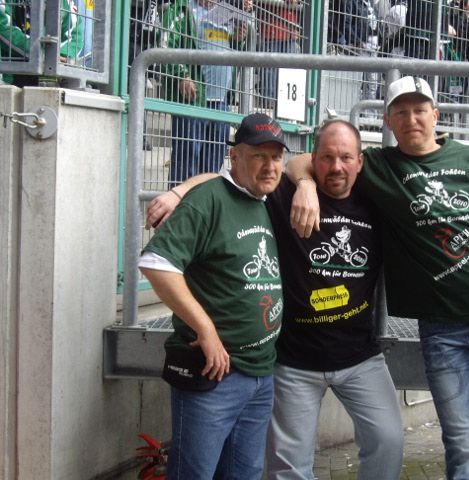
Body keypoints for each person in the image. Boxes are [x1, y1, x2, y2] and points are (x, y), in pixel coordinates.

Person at [288, 76, 469, 480]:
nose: (411, 119)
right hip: (442, 329)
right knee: (465, 440)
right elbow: (307, 159)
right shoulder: (378, 166)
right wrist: (304, 184)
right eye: (401, 112)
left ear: (435, 115)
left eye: (420, 110)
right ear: (388, 120)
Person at [146, 119, 406, 480]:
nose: (336, 166)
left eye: (346, 157)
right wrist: (178, 193)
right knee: (283, 468)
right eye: (326, 157)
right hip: (291, 360)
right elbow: (226, 182)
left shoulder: (374, 200)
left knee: (389, 439)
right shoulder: (280, 194)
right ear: (312, 159)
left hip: (356, 356)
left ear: (359, 161)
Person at [139, 113, 287, 479]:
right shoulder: (208, 201)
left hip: (260, 373)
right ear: (234, 157)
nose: (270, 166)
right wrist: (205, 328)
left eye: (276, 156)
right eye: (258, 155)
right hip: (216, 374)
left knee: (243, 474)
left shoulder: (265, 198)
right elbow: (157, 263)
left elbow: (305, 167)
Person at [161, 0, 251, 187]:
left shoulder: (227, 14)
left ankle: (206, 204)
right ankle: (181, 202)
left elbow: (234, 52)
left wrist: (238, 39)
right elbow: (164, 46)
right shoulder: (182, 9)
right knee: (186, 162)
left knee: (212, 168)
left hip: (221, 103)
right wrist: (182, 75)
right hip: (193, 101)